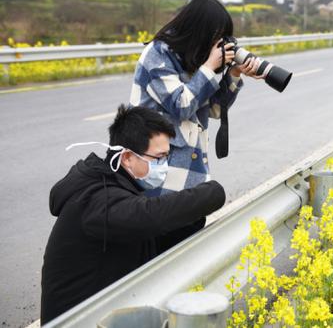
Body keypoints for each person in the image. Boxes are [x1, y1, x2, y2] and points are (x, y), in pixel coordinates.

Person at [40, 105, 226, 324]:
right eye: (158, 158)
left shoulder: (117, 186)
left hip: (102, 312)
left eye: (167, 157)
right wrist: (213, 192)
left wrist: (190, 222)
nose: (164, 166)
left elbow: (147, 242)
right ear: (127, 157)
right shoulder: (96, 199)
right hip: (77, 321)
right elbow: (149, 218)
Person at [129, 0, 264, 196]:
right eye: (216, 36)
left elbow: (215, 110)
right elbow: (181, 105)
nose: (217, 44)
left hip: (191, 175)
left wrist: (234, 74)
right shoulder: (158, 54)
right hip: (158, 180)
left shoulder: (191, 58)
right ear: (199, 31)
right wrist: (209, 66)